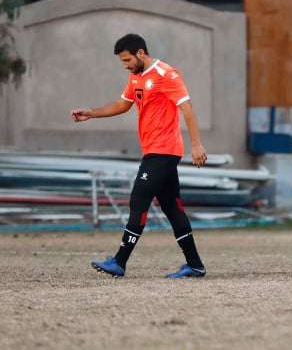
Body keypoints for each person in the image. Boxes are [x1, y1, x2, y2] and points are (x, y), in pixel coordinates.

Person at [73, 33, 207, 278]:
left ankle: (119, 262)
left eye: (127, 60)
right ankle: (195, 264)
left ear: (141, 53)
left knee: (138, 200)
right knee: (172, 207)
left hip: (163, 150)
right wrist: (91, 113)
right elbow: (122, 105)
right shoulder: (135, 77)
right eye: (122, 62)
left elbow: (187, 109)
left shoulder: (167, 75)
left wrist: (196, 145)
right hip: (154, 150)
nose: (125, 65)